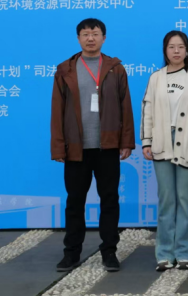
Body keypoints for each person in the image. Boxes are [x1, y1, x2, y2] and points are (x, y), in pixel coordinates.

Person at [50, 18, 135, 273]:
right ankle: (71, 253)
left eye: (95, 34)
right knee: (75, 201)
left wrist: (126, 142)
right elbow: (57, 110)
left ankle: (109, 252)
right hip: (76, 148)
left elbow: (126, 107)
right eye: (85, 34)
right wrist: (58, 146)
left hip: (107, 147)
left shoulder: (115, 69)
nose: (90, 38)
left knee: (109, 200)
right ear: (78, 38)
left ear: (103, 38)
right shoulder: (65, 69)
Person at [141, 31, 188, 272]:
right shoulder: (156, 77)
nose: (176, 51)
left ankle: (185, 253)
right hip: (162, 141)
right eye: (172, 47)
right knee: (166, 199)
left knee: (185, 199)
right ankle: (165, 254)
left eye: (181, 47)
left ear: (187, 51)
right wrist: (146, 141)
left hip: (187, 141)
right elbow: (147, 109)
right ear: (165, 50)